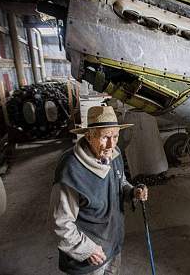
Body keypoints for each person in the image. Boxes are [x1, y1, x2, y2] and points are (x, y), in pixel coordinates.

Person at [50, 106, 148, 275]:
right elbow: (61, 223)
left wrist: (133, 192)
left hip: (113, 244)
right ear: (89, 136)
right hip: (89, 257)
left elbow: (120, 182)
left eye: (115, 136)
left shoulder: (114, 154)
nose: (112, 144)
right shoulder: (71, 169)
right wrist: (87, 249)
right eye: (105, 137)